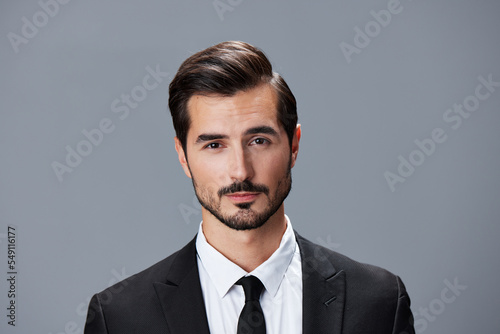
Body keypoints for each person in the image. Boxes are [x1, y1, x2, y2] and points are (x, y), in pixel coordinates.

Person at [84, 41, 415, 334]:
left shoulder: (379, 302)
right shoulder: (120, 318)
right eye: (214, 145)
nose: (240, 170)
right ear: (183, 157)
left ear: (294, 146)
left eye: (259, 140)